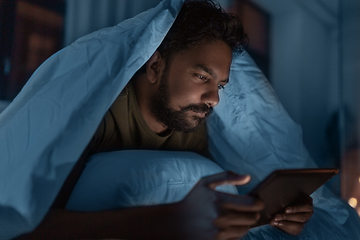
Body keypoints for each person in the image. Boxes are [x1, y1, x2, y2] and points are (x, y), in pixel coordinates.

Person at [17, 1, 313, 239]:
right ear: (156, 65)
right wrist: (170, 220)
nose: (215, 99)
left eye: (220, 85)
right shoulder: (96, 115)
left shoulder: (194, 125)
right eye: (201, 76)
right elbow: (23, 228)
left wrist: (272, 217)